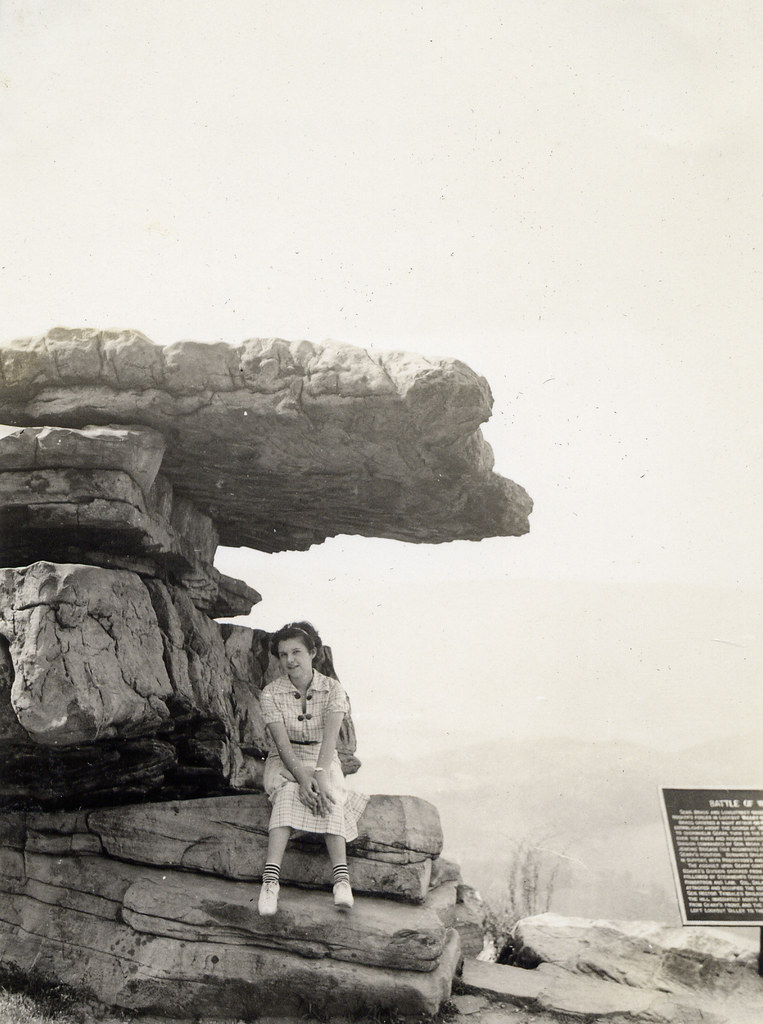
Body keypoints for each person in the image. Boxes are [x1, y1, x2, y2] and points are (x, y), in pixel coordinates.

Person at [257, 621, 368, 916]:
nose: (289, 660)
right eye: (283, 654)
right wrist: (302, 779)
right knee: (288, 793)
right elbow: (281, 745)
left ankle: (341, 881)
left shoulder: (333, 690)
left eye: (296, 652)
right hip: (285, 759)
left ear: (313, 653)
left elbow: (330, 741)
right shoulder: (270, 694)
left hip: (323, 754)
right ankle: (270, 882)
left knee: (328, 792)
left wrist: (317, 775)